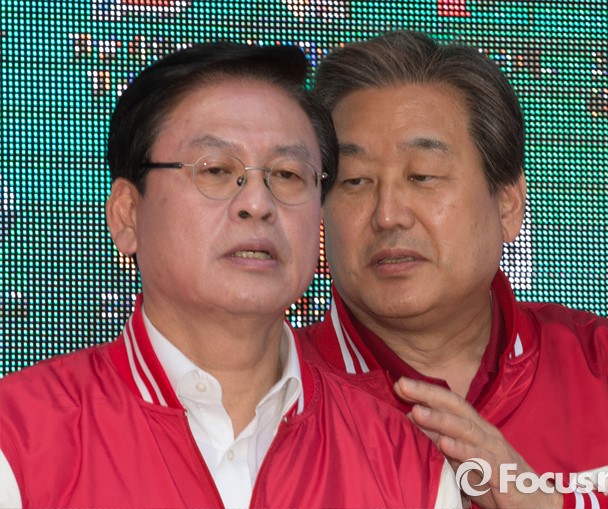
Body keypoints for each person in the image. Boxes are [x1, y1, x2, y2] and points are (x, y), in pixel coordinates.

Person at [0, 41, 461, 508]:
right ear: (127, 216)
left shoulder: (405, 465)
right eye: (217, 170)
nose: (257, 204)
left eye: (287, 175)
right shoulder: (18, 440)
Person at [300, 30, 608, 509]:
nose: (388, 215)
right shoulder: (265, 391)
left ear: (508, 205)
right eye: (355, 181)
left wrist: (547, 504)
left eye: (422, 176)